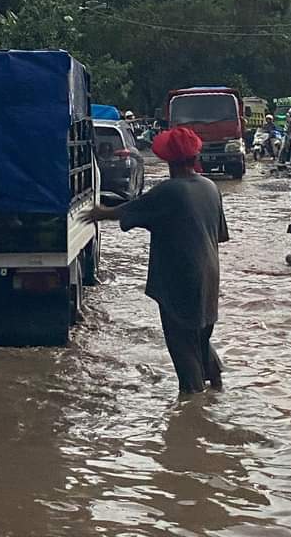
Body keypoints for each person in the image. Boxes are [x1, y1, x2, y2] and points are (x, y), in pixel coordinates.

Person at [82, 126, 229, 395]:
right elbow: (219, 235)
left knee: (182, 346)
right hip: (210, 277)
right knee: (200, 337)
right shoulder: (210, 187)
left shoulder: (169, 191)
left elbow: (128, 210)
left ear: (169, 160)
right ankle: (217, 391)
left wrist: (98, 213)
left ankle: (192, 412)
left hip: (180, 280)